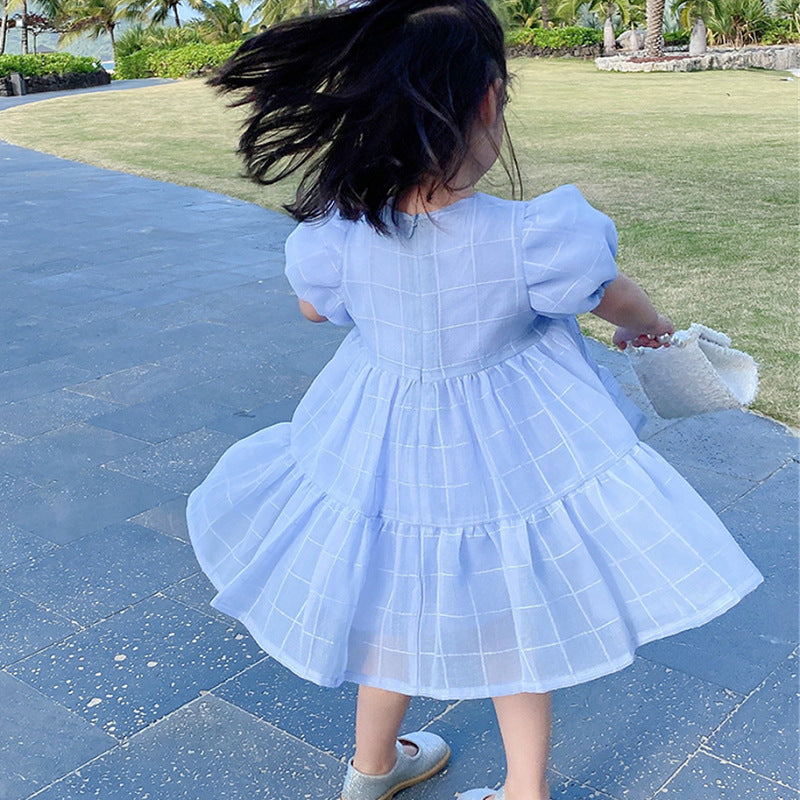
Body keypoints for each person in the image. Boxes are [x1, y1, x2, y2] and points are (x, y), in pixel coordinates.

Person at [186, 2, 764, 799]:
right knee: (513, 614)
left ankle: (372, 770)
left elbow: (316, 309)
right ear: (489, 100)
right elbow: (610, 294)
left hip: (379, 435)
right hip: (513, 444)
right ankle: (525, 792)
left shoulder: (344, 232)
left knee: (386, 605)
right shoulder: (532, 236)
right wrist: (653, 330)